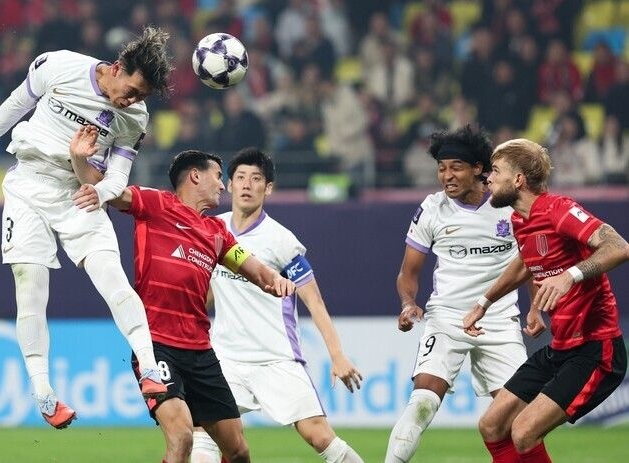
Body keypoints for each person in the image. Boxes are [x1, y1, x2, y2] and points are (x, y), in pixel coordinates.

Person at [0, 26, 173, 429]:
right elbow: (16, 104)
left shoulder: (135, 117)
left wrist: (100, 193)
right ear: (117, 68)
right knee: (30, 287)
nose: (132, 100)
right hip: (28, 184)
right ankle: (44, 393)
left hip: (80, 193)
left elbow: (118, 176)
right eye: (132, 91)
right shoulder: (59, 65)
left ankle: (150, 369)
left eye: (142, 97)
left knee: (113, 278)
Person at [70, 129, 296, 463]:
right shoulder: (156, 204)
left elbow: (256, 271)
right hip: (156, 346)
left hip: (201, 353)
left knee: (238, 451)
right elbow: (106, 190)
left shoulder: (217, 234)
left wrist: (277, 280)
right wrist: (79, 159)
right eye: (218, 176)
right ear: (195, 176)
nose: (223, 186)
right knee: (182, 437)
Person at [190, 148, 365, 463]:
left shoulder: (281, 240)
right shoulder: (212, 229)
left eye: (256, 179)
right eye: (240, 177)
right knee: (203, 431)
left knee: (319, 436)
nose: (247, 184)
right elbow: (210, 292)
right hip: (226, 358)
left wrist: (337, 355)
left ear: (268, 188)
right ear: (229, 184)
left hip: (276, 358)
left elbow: (314, 301)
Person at [385, 126, 545, 463]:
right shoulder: (431, 209)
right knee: (422, 403)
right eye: (441, 168)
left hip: (498, 321)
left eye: (456, 167)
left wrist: (535, 307)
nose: (447, 176)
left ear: (478, 168)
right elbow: (408, 273)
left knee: (521, 418)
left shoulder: (509, 207)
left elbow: (530, 262)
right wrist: (408, 303)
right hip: (447, 318)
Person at [463, 138, 628, 463]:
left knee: (523, 431)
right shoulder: (519, 220)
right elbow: (526, 263)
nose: (488, 178)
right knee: (492, 425)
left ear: (518, 179)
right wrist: (485, 303)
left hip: (596, 350)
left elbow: (618, 246)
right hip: (561, 348)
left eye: (495, 171)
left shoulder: (559, 209)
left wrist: (570, 276)